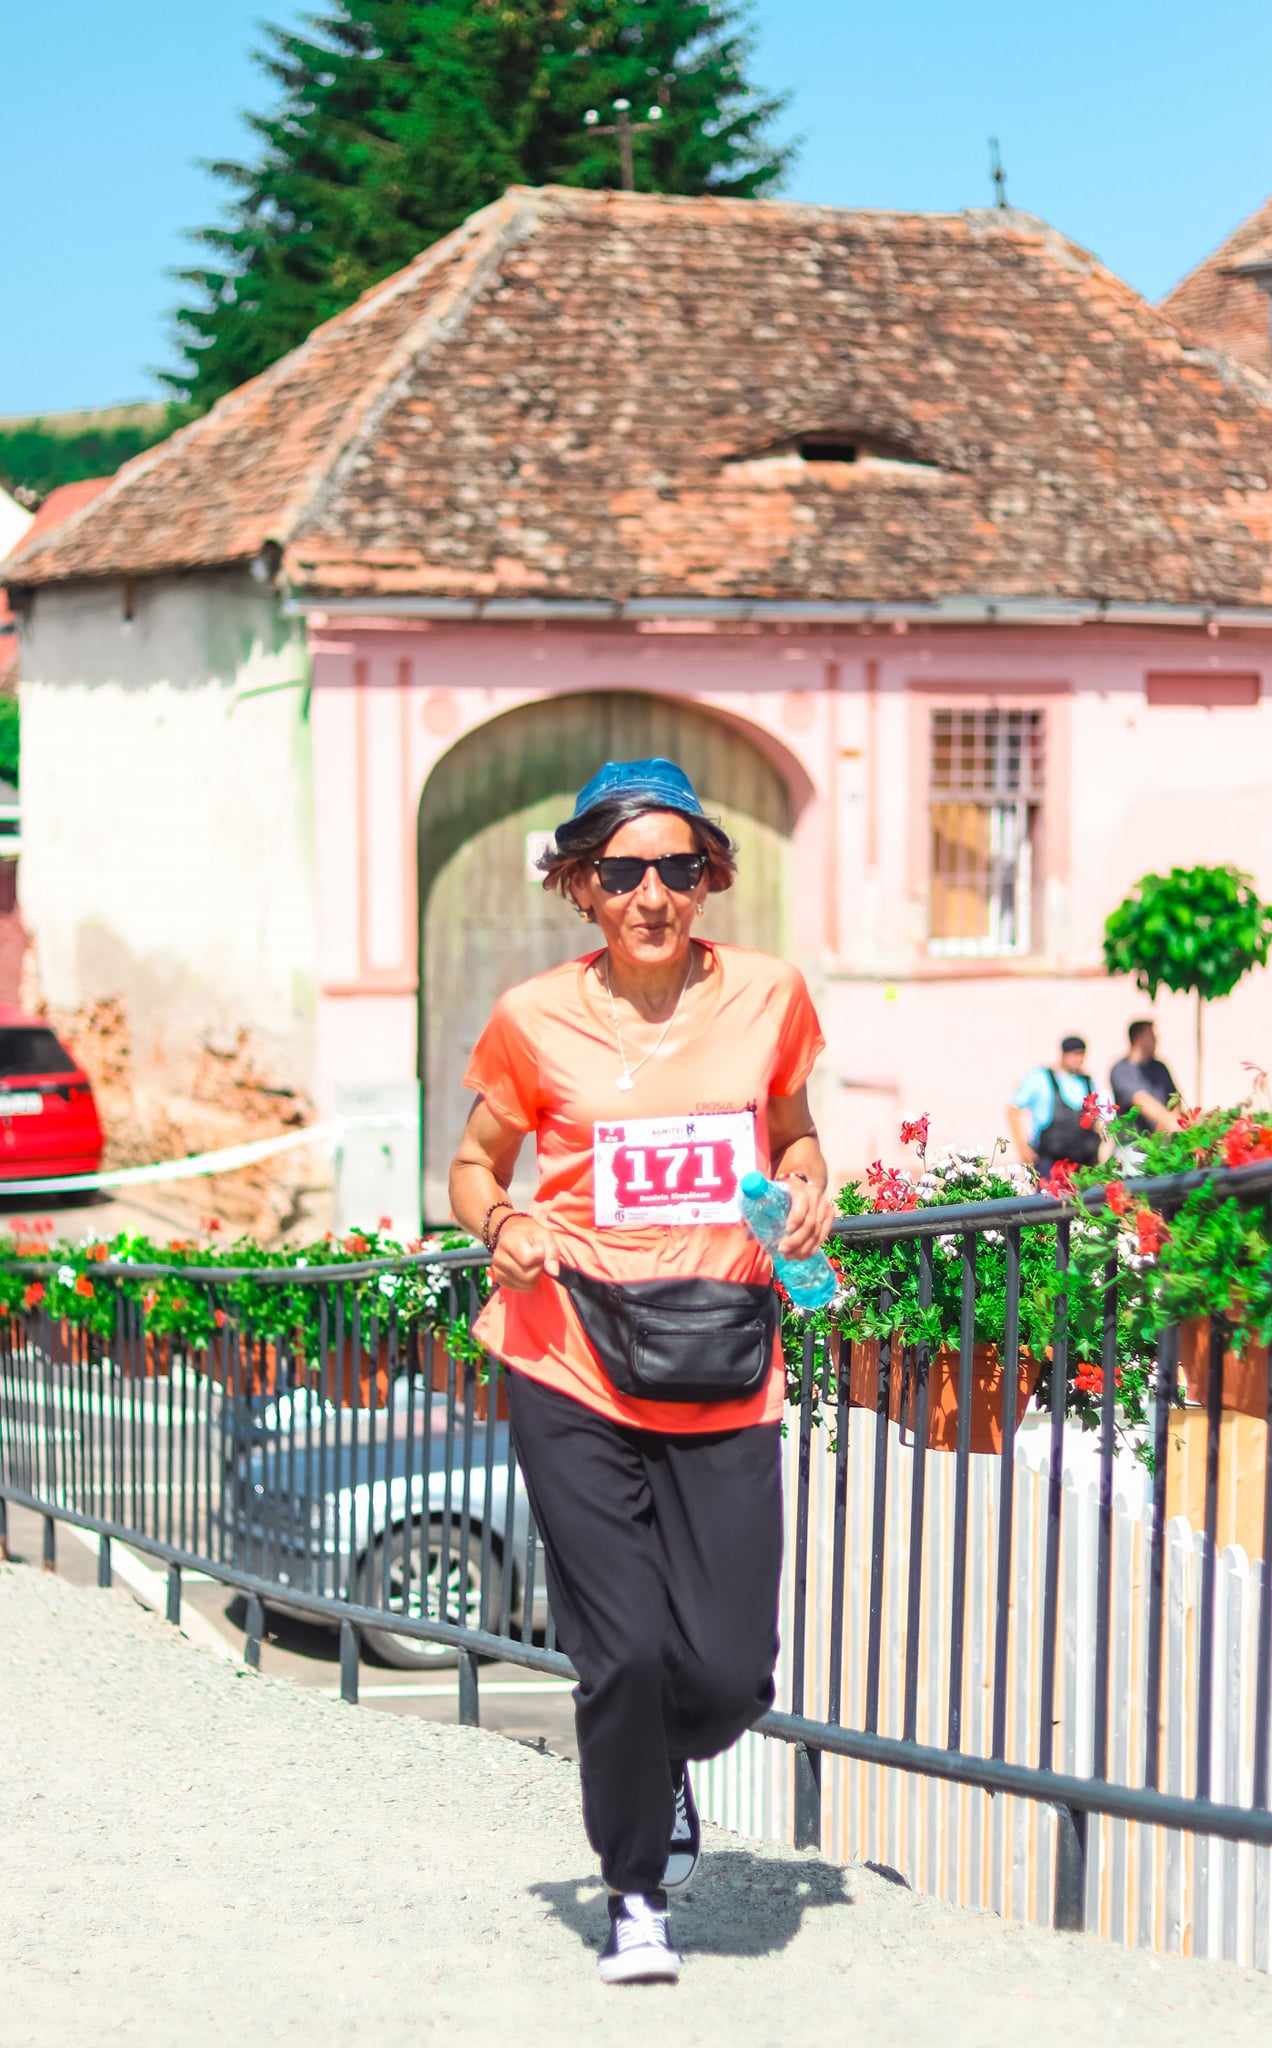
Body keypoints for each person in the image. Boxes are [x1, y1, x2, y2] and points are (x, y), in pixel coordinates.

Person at [448, 756, 832, 1987]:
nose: (652, 893)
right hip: (568, 1353)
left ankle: (664, 1758)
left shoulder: (769, 995)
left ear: (708, 875)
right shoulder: (532, 1016)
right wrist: (503, 1223)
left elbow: (795, 1133)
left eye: (676, 866)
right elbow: (473, 1164)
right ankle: (634, 1892)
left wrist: (810, 1184)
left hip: (723, 1354)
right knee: (618, 1652)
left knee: (726, 1673)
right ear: (582, 885)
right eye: (622, 872)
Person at [1007, 1034, 1100, 1172]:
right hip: (1050, 1161)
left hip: (1083, 1162)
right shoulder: (1040, 1077)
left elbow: (1095, 1119)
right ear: (1064, 1054)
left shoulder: (1086, 1082)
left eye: (1081, 1055)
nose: (1078, 1059)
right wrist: (1022, 1147)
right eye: (1075, 1054)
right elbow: (1013, 1110)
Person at [1110, 1018, 1181, 1135]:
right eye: (1152, 1037)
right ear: (1139, 1039)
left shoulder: (1160, 1067)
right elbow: (1141, 1100)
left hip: (1162, 1138)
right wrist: (1169, 1122)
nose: (1156, 1041)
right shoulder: (1121, 1070)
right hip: (1135, 1140)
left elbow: (1175, 1098)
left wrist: (1176, 1121)